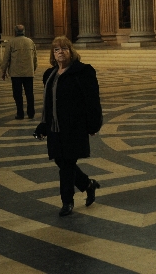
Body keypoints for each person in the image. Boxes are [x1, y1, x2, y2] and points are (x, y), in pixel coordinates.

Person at [34, 36, 102, 217]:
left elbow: (92, 100)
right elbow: (48, 103)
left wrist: (94, 123)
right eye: (56, 49)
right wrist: (43, 125)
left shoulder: (83, 72)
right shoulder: (49, 75)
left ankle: (67, 202)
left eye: (64, 48)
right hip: (55, 127)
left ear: (71, 51)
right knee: (60, 160)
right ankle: (88, 184)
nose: (60, 52)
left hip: (74, 126)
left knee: (67, 163)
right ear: (52, 54)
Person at [1, 24, 38, 119]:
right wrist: (33, 69)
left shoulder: (11, 42)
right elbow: (35, 58)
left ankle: (20, 113)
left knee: (17, 94)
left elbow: (6, 58)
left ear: (15, 32)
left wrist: (3, 71)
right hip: (28, 72)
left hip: (16, 73)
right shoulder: (30, 42)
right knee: (30, 93)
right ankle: (31, 113)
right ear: (24, 31)